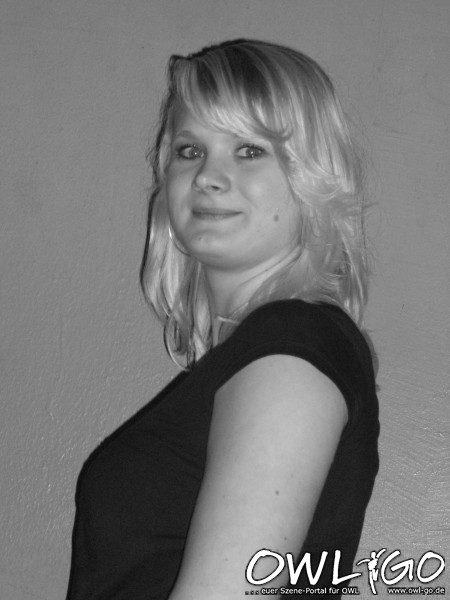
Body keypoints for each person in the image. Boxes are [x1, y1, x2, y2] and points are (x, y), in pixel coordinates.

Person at [66, 39, 379, 600]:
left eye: (249, 150)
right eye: (190, 150)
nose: (208, 176)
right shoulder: (265, 350)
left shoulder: (292, 344)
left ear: (311, 176)